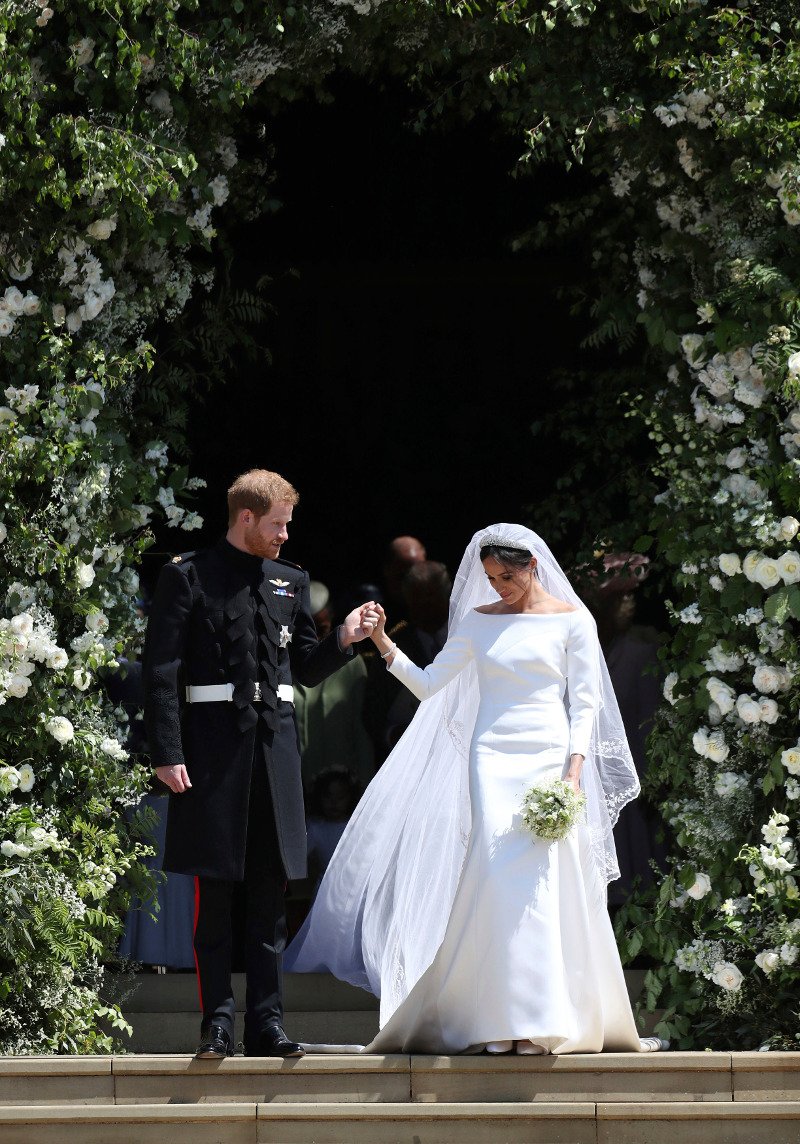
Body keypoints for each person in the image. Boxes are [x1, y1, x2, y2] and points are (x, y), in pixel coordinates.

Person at [286, 523, 666, 1055]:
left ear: (533, 566)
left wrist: (574, 771)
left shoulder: (572, 620)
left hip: (550, 758)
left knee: (543, 881)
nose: (498, 587)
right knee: (494, 878)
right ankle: (495, 1017)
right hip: (490, 758)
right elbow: (428, 685)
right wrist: (380, 641)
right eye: (489, 578)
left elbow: (586, 703)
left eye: (507, 576)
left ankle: (539, 1017)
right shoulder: (477, 623)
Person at [143, 469, 376, 1060]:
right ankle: (216, 1023)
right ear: (246, 518)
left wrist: (343, 640)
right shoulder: (188, 576)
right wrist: (167, 752)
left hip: (274, 756)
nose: (284, 536)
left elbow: (302, 666)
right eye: (276, 525)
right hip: (211, 757)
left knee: (270, 900)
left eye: (287, 525)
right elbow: (163, 671)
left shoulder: (288, 582)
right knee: (216, 897)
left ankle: (267, 1024)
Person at [588, 553, 666, 906]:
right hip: (592, 768)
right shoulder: (583, 651)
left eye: (631, 597)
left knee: (638, 852)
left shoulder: (641, 652)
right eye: (619, 599)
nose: (628, 606)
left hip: (635, 766)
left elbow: (652, 717)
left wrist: (652, 774)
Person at [364, 560, 451, 763]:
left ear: (447, 596)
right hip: (411, 758)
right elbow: (373, 712)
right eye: (417, 600)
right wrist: (394, 735)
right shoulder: (390, 645)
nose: (425, 608)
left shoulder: (467, 635)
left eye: (431, 598)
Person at [293, 581, 374, 788]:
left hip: (344, 785)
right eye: (309, 632)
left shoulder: (352, 664)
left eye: (322, 629)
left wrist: (365, 785)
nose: (317, 639)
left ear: (330, 618)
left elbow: (362, 729)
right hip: (297, 782)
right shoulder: (284, 664)